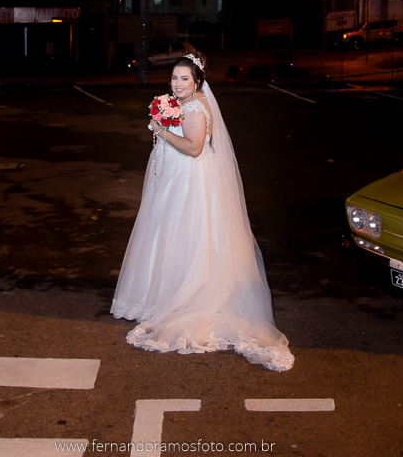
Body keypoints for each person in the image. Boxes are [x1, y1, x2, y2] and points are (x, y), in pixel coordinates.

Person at [110, 52, 294, 372]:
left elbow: (194, 148)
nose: (178, 84)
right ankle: (165, 289)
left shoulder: (195, 107)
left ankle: (183, 294)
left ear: (197, 81)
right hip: (178, 175)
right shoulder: (184, 103)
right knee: (172, 233)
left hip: (189, 179)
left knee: (184, 233)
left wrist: (162, 130)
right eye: (174, 78)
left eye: (184, 79)